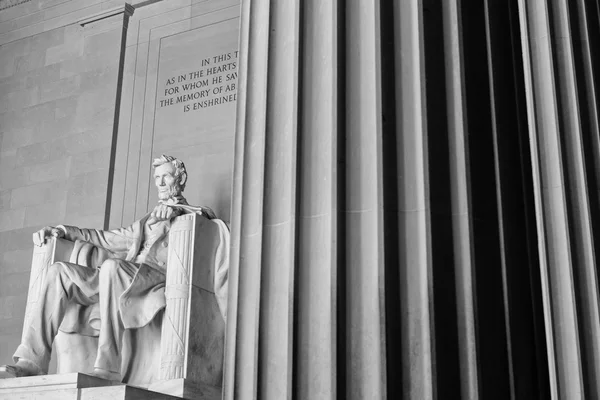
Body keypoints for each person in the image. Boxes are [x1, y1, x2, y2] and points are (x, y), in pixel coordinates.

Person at [0, 155, 227, 381]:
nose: (159, 183)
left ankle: (107, 366)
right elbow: (108, 238)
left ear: (180, 178)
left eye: (165, 176)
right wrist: (63, 231)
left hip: (154, 278)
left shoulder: (194, 212)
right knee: (59, 272)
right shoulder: (145, 222)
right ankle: (31, 361)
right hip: (122, 275)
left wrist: (176, 212)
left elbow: (206, 219)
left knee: (111, 268)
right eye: (156, 177)